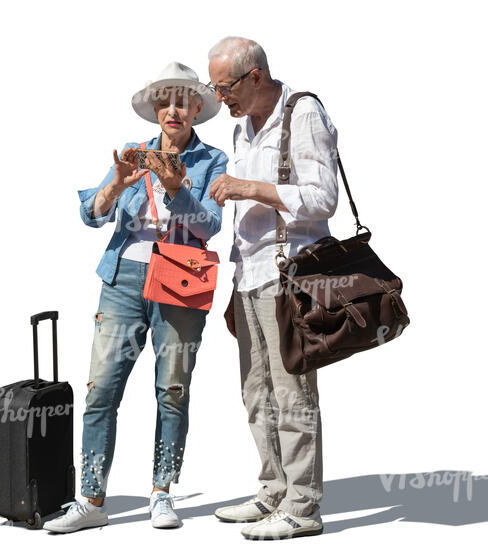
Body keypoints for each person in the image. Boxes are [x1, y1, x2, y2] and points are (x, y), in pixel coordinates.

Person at [43, 62, 227, 533]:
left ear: (197, 109)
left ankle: (162, 492)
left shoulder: (213, 161)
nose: (173, 110)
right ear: (154, 110)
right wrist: (117, 185)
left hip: (180, 280)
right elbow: (91, 213)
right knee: (101, 389)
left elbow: (210, 226)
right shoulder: (133, 153)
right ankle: (91, 498)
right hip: (124, 277)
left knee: (172, 390)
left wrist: (175, 189)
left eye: (183, 102)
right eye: (165, 102)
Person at [207, 37, 338, 540]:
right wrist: (233, 289)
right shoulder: (243, 126)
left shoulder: (302, 114)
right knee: (255, 392)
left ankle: (303, 507)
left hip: (291, 277)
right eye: (215, 89)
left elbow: (322, 197)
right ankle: (274, 490)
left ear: (254, 76)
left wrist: (249, 187)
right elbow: (246, 221)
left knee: (293, 394)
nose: (221, 99)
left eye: (225, 88)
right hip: (251, 277)